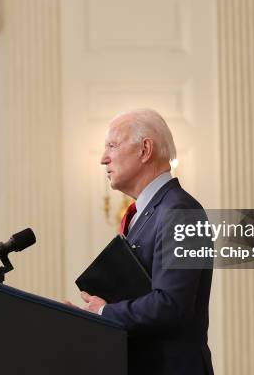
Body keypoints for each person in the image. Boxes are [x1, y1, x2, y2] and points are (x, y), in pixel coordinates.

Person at [79, 109, 213, 375]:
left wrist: (104, 312)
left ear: (145, 150)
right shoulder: (147, 212)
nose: (103, 159)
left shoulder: (181, 212)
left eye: (112, 146)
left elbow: (172, 304)